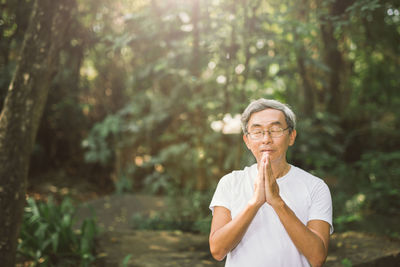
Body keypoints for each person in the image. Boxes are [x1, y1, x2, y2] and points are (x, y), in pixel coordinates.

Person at [209, 98, 333, 267]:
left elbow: (318, 257)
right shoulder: (230, 182)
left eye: (275, 130)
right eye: (257, 132)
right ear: (247, 141)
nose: (266, 139)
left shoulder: (315, 187)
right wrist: (254, 203)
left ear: (291, 136)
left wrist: (277, 202)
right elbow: (217, 251)